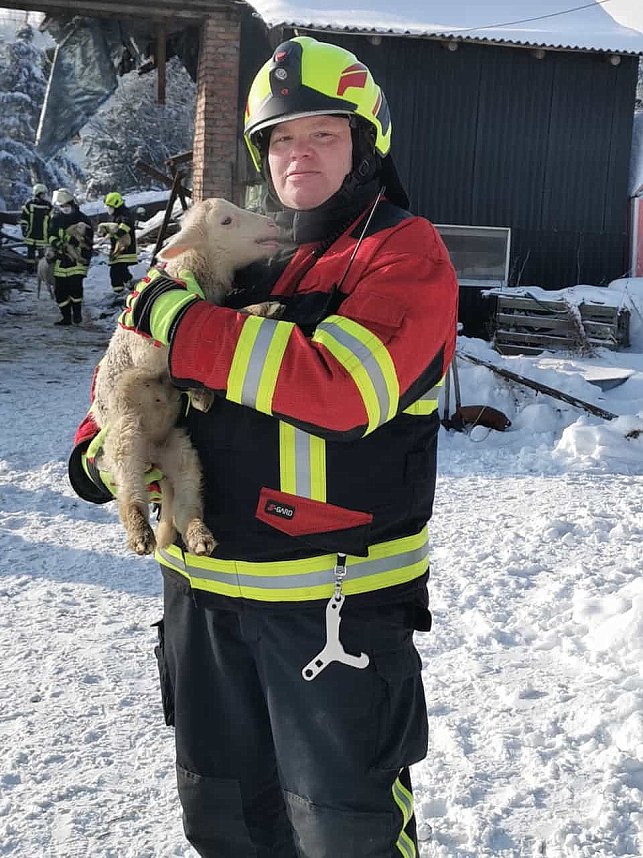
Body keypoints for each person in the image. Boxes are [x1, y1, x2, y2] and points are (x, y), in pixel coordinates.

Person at [68, 36, 458, 857]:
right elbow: (130, 367)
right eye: (280, 137)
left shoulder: (399, 251)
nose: (298, 152)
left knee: (345, 834)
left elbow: (341, 389)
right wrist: (103, 451)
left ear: (366, 143)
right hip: (201, 603)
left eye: (323, 133)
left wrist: (177, 319)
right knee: (227, 826)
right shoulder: (237, 256)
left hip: (332, 615)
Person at [48, 188, 94, 326]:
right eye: (62, 206)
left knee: (75, 287)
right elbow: (51, 236)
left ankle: (77, 313)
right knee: (60, 291)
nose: (64, 208)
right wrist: (59, 244)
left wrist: (79, 243)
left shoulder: (82, 219)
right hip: (60, 259)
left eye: (66, 205)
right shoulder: (56, 219)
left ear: (72, 203)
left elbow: (89, 240)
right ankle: (66, 317)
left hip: (78, 259)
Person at [101, 191, 138, 300]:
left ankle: (120, 292)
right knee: (120, 270)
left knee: (116, 271)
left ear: (116, 205)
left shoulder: (125, 214)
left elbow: (124, 227)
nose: (108, 209)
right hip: (117, 249)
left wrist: (115, 233)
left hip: (125, 249)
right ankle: (130, 286)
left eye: (110, 207)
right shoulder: (114, 216)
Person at [19, 183, 51, 266]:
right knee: (30, 254)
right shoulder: (29, 204)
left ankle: (41, 269)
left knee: (42, 255)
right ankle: (30, 269)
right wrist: (24, 229)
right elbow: (24, 218)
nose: (44, 196)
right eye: (43, 194)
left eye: (44, 194)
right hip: (31, 234)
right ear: (37, 194)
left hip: (42, 235)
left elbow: (52, 219)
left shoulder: (48, 205)